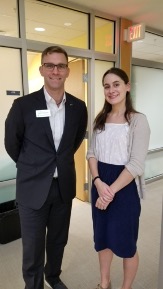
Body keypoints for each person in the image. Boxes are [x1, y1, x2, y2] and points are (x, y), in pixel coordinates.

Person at [4, 45, 88, 289]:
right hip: (32, 187)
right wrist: (32, 165)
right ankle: (34, 285)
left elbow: (73, 142)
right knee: (32, 245)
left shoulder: (77, 107)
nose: (55, 71)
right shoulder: (23, 105)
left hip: (62, 187)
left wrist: (57, 163)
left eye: (60, 65)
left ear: (67, 71)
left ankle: (53, 276)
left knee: (58, 240)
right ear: (42, 69)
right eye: (49, 65)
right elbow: (12, 143)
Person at [87, 67, 150, 289]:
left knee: (126, 243)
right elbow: (91, 153)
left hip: (123, 188)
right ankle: (104, 282)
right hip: (100, 182)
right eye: (106, 86)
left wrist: (109, 192)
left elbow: (135, 164)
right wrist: (97, 182)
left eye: (116, 84)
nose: (111, 90)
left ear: (127, 87)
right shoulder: (100, 119)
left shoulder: (137, 120)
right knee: (102, 238)